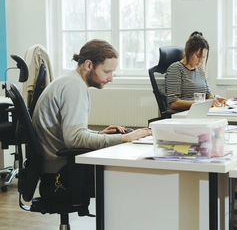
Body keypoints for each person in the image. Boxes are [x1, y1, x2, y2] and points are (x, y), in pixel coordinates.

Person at [32, 39, 151, 198]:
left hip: (57, 169)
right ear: (89, 65)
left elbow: (69, 133)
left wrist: (99, 134)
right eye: (107, 72)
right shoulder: (74, 88)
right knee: (133, 175)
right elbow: (74, 140)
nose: (111, 78)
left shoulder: (70, 81)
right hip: (61, 176)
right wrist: (123, 138)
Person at [165, 31, 226, 111]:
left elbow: (208, 95)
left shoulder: (200, 70)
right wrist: (202, 103)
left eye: (203, 57)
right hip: (185, 114)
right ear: (188, 52)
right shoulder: (176, 69)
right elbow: (173, 103)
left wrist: (215, 98)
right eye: (198, 56)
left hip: (201, 111)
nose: (200, 61)